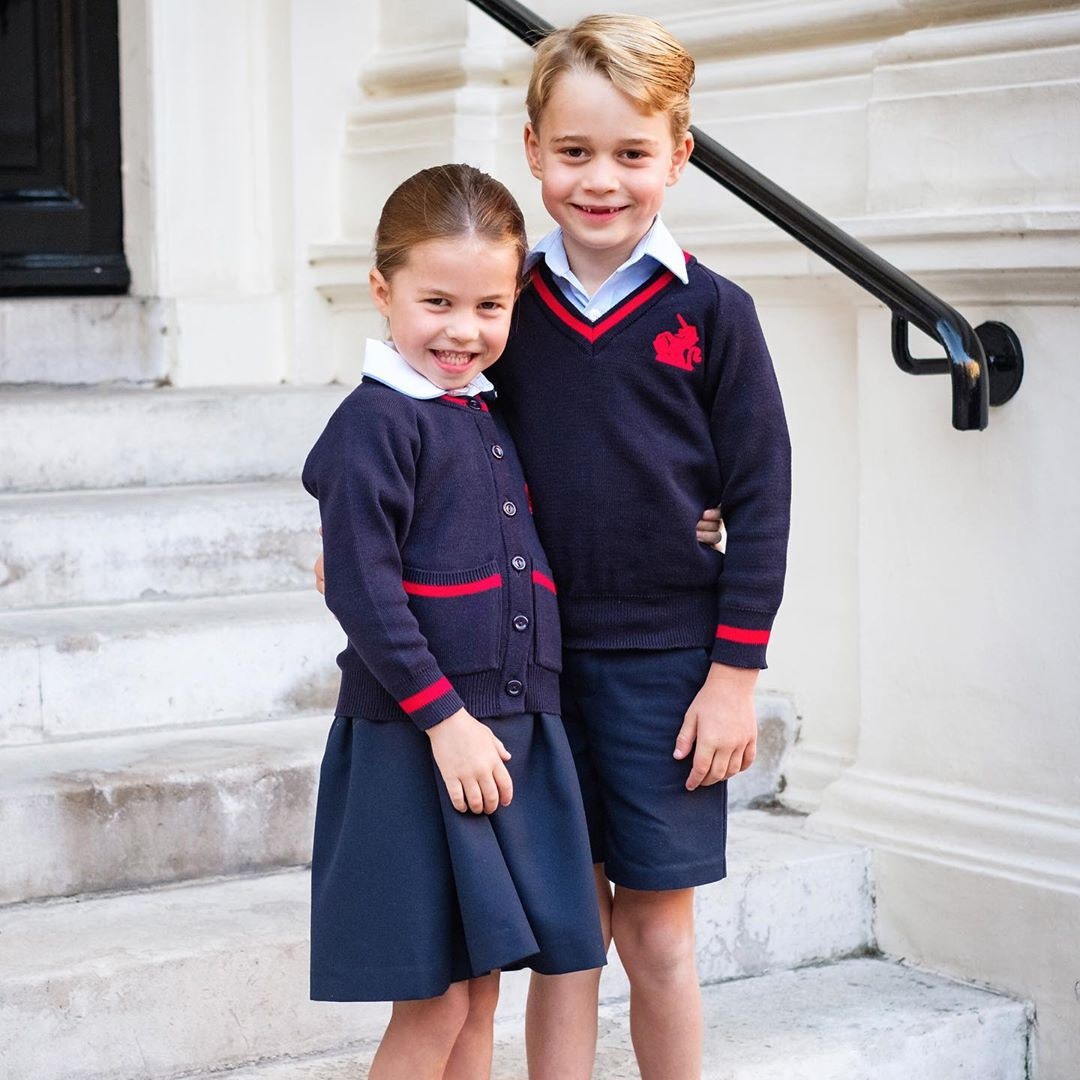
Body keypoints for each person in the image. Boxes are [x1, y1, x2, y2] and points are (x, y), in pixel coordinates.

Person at [498, 15, 792, 1080]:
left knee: (656, 940)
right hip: (529, 671)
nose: (601, 180)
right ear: (533, 150)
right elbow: (424, 436)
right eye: (574, 152)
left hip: (669, 674)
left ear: (680, 153)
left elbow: (762, 497)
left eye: (631, 153)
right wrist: (349, 534)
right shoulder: (503, 309)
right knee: (565, 944)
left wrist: (735, 674)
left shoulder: (716, 314)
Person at [301, 163, 607, 1080]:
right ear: (382, 289)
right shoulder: (376, 425)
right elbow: (362, 588)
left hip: (500, 737)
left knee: (481, 991)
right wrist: (445, 720)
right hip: (417, 738)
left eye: (489, 307)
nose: (463, 331)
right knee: (436, 1002)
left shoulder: (484, 413)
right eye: (437, 301)